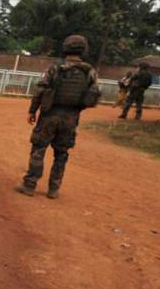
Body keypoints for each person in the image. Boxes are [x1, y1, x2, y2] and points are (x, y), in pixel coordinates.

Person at [16, 35, 99, 199]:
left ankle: (30, 185)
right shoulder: (89, 71)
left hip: (49, 115)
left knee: (38, 149)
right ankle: (53, 189)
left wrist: (32, 111)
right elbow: (93, 95)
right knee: (61, 153)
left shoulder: (55, 69)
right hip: (71, 118)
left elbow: (40, 91)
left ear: (65, 48)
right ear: (83, 50)